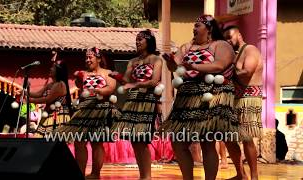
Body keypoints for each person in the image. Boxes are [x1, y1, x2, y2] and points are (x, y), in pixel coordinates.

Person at [161, 15, 245, 180]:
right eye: (194, 26)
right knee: (178, 142)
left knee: (207, 142)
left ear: (209, 28)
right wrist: (170, 62)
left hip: (211, 95)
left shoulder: (221, 45)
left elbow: (220, 65)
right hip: (186, 98)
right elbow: (176, 66)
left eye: (197, 25)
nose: (194, 28)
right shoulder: (186, 47)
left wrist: (193, 66)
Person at [56, 47, 120, 178]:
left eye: (90, 57)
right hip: (84, 109)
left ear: (98, 58)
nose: (87, 60)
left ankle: (95, 173)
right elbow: (80, 87)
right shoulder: (84, 73)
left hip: (100, 109)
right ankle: (80, 172)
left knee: (96, 142)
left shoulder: (107, 72)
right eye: (86, 57)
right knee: (79, 141)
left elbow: (111, 88)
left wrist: (97, 91)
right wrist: (79, 80)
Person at [110, 29, 162, 179]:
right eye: (137, 39)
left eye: (141, 39)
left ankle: (147, 176)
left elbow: (154, 81)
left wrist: (134, 85)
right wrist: (118, 77)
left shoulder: (156, 59)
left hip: (147, 100)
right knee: (134, 139)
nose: (137, 41)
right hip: (133, 100)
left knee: (142, 139)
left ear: (149, 42)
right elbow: (127, 80)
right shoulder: (133, 61)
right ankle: (142, 175)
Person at [223, 25, 263, 180]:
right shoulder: (236, 54)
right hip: (235, 99)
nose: (227, 40)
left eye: (229, 36)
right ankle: (241, 174)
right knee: (227, 137)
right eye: (225, 38)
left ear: (238, 34)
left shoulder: (250, 49)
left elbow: (246, 73)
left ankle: (254, 177)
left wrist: (228, 69)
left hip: (248, 99)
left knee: (246, 138)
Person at [30, 60, 72, 137]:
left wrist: (30, 100)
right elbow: (38, 94)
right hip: (49, 114)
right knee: (41, 139)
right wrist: (24, 92)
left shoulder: (60, 85)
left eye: (53, 67)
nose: (50, 69)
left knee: (53, 141)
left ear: (58, 71)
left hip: (58, 116)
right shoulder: (50, 85)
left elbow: (47, 99)